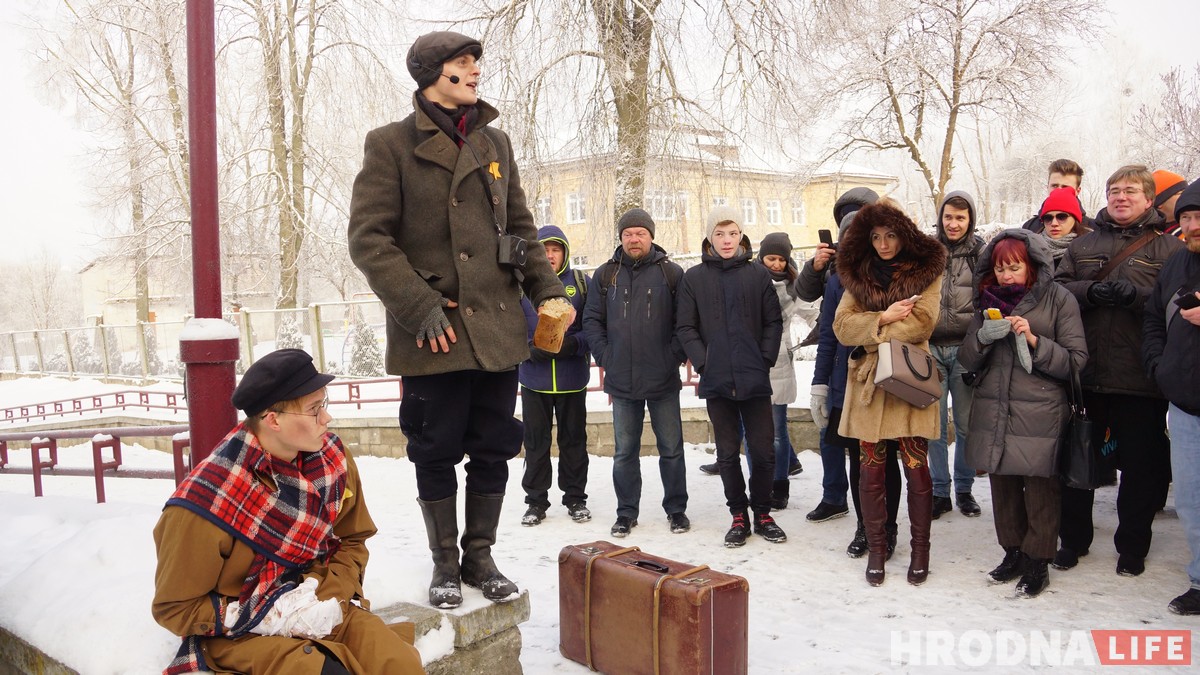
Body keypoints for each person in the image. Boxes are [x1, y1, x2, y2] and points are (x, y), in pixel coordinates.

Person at [347, 31, 571, 608]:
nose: (474, 71)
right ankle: (445, 562)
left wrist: (547, 291)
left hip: (496, 327)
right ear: (431, 73)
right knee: (435, 445)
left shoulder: (494, 141)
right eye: (462, 63)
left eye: (475, 62)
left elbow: (521, 230)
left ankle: (480, 556)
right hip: (435, 330)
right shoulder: (389, 144)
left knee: (494, 444)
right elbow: (369, 240)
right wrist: (417, 305)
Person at [152, 349, 424, 675]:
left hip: (323, 603)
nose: (327, 419)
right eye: (314, 410)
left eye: (325, 404)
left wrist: (325, 592)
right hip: (244, 632)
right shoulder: (206, 501)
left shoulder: (333, 460)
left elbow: (353, 539)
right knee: (323, 671)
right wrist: (272, 614)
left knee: (398, 664)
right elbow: (175, 607)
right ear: (273, 419)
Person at [1054, 164, 1184, 576]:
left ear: (1149, 199)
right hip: (1085, 373)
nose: (1121, 197)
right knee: (1077, 463)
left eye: (1130, 191)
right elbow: (1057, 290)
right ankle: (1073, 540)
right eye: (1114, 191)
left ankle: (1132, 546)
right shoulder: (1083, 244)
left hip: (1139, 379)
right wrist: (1089, 291)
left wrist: (1138, 296)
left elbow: (1178, 302)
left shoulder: (1171, 251)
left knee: (1141, 471)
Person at [958, 232, 1088, 598]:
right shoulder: (987, 301)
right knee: (1004, 487)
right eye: (1000, 268)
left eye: (1014, 267)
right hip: (994, 407)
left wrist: (1034, 340)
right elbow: (968, 360)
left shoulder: (1059, 299)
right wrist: (983, 337)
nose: (1006, 276)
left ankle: (1038, 561)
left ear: (1032, 266)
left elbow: (1076, 361)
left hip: (1040, 411)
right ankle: (1012, 553)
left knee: (1041, 491)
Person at [833, 200, 946, 586]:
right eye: (876, 236)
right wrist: (883, 317)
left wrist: (872, 334)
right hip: (868, 385)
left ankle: (920, 551)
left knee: (916, 468)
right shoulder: (858, 272)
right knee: (871, 471)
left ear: (904, 234)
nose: (883, 244)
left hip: (910, 380)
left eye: (891, 235)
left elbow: (923, 323)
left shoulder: (926, 269)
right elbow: (842, 327)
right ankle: (878, 550)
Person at [676, 206, 786, 547]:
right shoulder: (694, 278)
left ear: (742, 236)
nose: (727, 241)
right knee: (727, 453)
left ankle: (763, 513)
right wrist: (705, 362)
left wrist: (764, 357)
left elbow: (773, 322)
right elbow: (685, 326)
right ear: (710, 236)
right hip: (717, 379)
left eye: (733, 233)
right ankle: (738, 514)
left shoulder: (757, 275)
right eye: (720, 234)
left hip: (754, 377)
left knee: (764, 451)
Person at [583, 208, 690, 538]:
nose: (634, 238)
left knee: (671, 448)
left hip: (662, 379)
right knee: (624, 451)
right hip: (622, 379)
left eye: (640, 233)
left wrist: (671, 356)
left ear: (651, 236)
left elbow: (684, 323)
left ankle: (676, 510)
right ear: (620, 238)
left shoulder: (671, 274)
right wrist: (606, 356)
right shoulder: (605, 276)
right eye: (628, 233)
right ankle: (626, 512)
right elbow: (592, 321)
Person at [809, 212, 903, 556]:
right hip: (845, 380)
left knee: (886, 457)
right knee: (857, 459)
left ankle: (888, 527)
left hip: (885, 377)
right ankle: (866, 526)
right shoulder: (838, 281)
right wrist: (820, 383)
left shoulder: (894, 275)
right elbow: (828, 336)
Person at [1143, 179, 1200, 614]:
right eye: (1186, 217)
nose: (1193, 226)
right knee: (1190, 498)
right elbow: (1152, 320)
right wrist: (1159, 367)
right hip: (1184, 402)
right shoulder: (1176, 263)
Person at [518, 226, 592, 526]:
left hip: (572, 379)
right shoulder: (522, 286)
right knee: (536, 443)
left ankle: (575, 498)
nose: (550, 256)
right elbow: (509, 326)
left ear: (564, 252)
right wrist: (527, 349)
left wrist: (574, 344)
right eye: (544, 250)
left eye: (555, 250)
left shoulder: (580, 284)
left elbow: (595, 328)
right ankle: (536, 501)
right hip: (534, 379)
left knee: (574, 441)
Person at [928, 191, 985, 519]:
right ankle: (940, 491)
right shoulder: (928, 252)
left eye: (960, 218)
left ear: (969, 220)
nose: (953, 223)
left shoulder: (980, 253)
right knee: (933, 427)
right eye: (948, 217)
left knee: (965, 425)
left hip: (965, 349)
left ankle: (964, 489)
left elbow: (989, 297)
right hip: (931, 349)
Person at [758, 231, 803, 510]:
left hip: (780, 362)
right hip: (754, 362)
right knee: (755, 431)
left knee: (777, 430)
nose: (776, 264)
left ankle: (780, 485)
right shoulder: (751, 279)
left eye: (781, 259)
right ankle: (761, 482)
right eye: (771, 258)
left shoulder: (795, 286)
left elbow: (812, 310)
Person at [794, 187, 880, 303]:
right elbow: (805, 294)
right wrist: (814, 268)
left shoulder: (884, 254)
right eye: (846, 220)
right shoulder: (832, 254)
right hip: (830, 318)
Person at [1021, 159, 1096, 233]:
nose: (1059, 190)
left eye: (1065, 187)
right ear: (1047, 187)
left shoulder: (1092, 230)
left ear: (1077, 191)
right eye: (1055, 186)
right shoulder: (1030, 228)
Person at [1037, 187, 1092, 267]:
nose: (1054, 223)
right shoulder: (1031, 247)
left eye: (1061, 217)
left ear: (1075, 219)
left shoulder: (1091, 247)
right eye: (1048, 218)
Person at [1153, 170, 1187, 238]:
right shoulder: (1148, 236)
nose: (1187, 196)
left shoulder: (1192, 232)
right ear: (1160, 203)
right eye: (1181, 193)